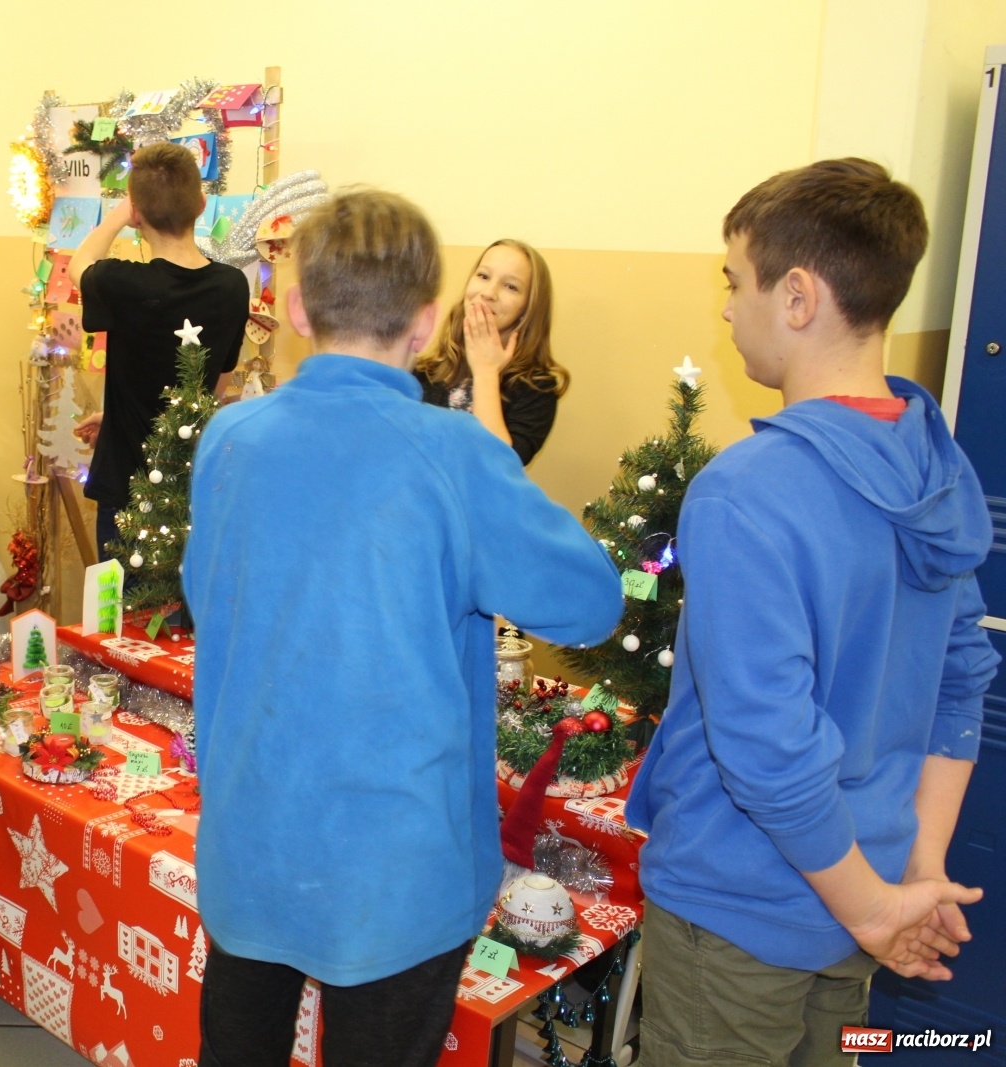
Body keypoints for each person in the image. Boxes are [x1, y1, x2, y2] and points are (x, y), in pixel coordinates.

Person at [182, 188, 622, 1067]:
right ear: (428, 325)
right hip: (396, 864)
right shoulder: (455, 455)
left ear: (298, 307)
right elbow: (592, 599)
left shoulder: (230, 436)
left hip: (254, 834)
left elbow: (209, 596)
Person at [625, 158, 996, 1066]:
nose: (724, 308)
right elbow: (964, 682)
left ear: (796, 296)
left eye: (733, 280)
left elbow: (766, 742)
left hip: (743, 913)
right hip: (858, 894)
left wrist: (878, 905)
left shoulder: (747, 490)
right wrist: (914, 875)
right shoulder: (934, 460)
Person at [69, 142, 249, 556]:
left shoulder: (124, 283)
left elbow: (81, 264)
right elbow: (216, 385)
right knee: (185, 616)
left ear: (137, 215)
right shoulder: (231, 286)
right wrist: (116, 416)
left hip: (129, 491)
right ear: (201, 204)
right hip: (190, 482)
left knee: (119, 614)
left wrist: (119, 214)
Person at [413, 239, 567, 465]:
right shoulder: (420, 372)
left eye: (511, 286)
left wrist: (486, 371)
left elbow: (498, 466)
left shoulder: (538, 389)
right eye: (483, 276)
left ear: (527, 308)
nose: (488, 293)